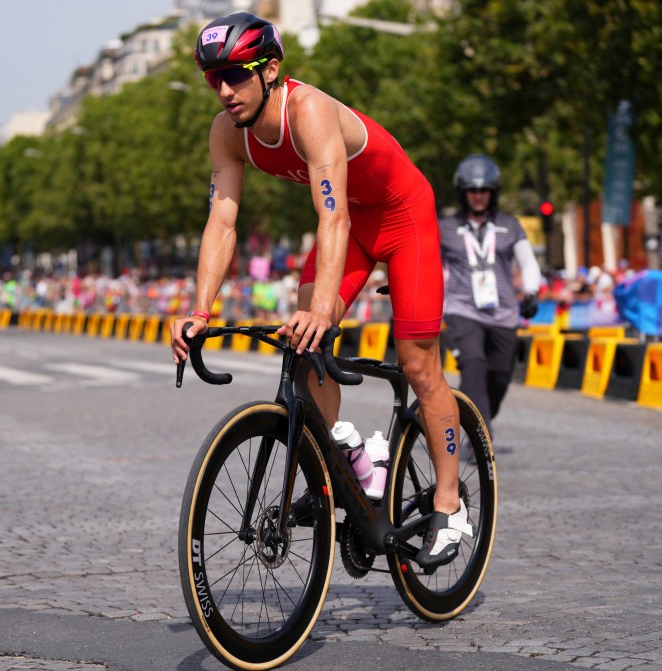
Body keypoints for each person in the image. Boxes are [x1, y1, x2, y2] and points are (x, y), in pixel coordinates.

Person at [170, 12, 470, 569]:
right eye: (214, 79)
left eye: (236, 75)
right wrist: (200, 309)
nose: (225, 89)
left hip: (402, 218)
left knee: (419, 364)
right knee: (304, 351)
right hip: (353, 226)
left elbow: (330, 218)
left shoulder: (307, 111)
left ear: (271, 69)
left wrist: (323, 310)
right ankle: (350, 453)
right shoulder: (225, 132)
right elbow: (222, 222)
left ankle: (450, 506)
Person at [439, 154, 542, 444]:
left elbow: (529, 263)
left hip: (504, 313)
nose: (478, 196)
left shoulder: (510, 225)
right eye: (472, 190)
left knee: (499, 375)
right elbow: (427, 263)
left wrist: (531, 293)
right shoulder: (445, 227)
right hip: (462, 309)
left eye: (484, 190)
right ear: (463, 192)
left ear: (493, 192)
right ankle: (482, 437)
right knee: (473, 364)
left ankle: (478, 416)